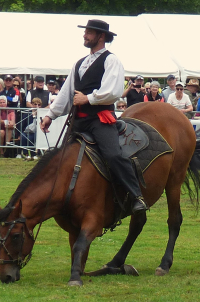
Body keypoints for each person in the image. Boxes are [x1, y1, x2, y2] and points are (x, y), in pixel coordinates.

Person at [40, 18, 147, 215]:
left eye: (89, 32)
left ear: (101, 36)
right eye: (85, 31)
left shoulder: (111, 60)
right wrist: (51, 115)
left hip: (100, 119)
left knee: (113, 155)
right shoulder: (79, 63)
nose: (84, 35)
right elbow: (66, 93)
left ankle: (136, 196)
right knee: (61, 157)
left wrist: (87, 99)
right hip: (78, 121)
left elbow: (113, 91)